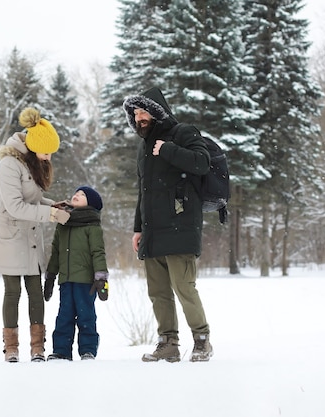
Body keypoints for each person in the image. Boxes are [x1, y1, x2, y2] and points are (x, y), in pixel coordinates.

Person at [122, 86, 214, 362]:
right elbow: (144, 191)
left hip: (181, 226)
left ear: (157, 111)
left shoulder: (183, 133)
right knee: (158, 292)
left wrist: (170, 150)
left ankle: (201, 341)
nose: (139, 118)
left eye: (143, 111)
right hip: (153, 230)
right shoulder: (143, 147)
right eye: (135, 113)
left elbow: (202, 162)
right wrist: (138, 229)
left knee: (184, 287)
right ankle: (168, 344)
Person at [0, 107, 71, 363]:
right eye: (46, 151)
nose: (49, 156)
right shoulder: (8, 166)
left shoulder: (32, 162)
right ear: (33, 147)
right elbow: (16, 206)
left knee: (36, 289)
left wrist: (53, 205)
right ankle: (11, 348)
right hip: (9, 234)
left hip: (30, 235)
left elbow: (34, 198)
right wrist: (51, 216)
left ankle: (37, 347)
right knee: (12, 291)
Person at [43, 186, 108, 361]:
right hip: (65, 279)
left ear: (91, 204)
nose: (76, 195)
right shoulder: (63, 224)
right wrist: (50, 276)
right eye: (76, 193)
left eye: (82, 195)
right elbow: (56, 252)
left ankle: (88, 350)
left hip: (85, 281)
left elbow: (98, 252)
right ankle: (61, 350)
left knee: (86, 315)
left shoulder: (92, 226)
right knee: (64, 316)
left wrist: (101, 278)